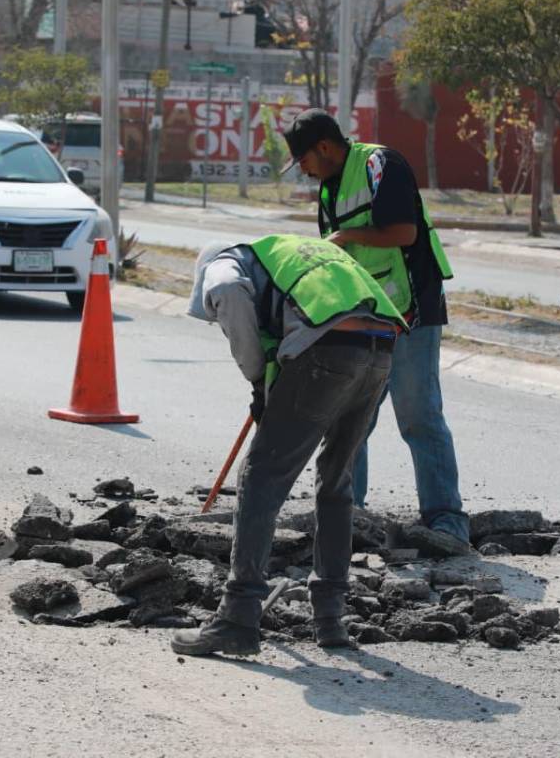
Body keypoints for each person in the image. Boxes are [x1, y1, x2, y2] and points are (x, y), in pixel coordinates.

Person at [171, 234, 406, 656]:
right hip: (380, 349)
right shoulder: (290, 253)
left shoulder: (224, 264)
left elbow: (226, 292)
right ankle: (330, 618)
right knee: (337, 481)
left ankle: (238, 617)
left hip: (329, 351)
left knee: (261, 476)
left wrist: (259, 380)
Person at [282, 108, 471, 549]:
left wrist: (348, 237)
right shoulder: (329, 188)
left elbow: (403, 233)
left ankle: (447, 522)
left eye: (304, 161)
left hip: (410, 311)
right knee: (349, 419)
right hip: (364, 313)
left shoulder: (379, 165)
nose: (304, 172)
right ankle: (344, 514)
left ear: (325, 148)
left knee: (419, 415)